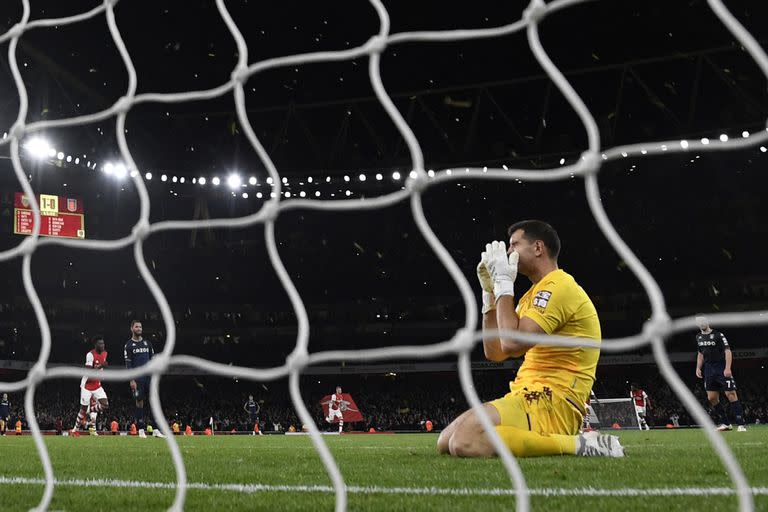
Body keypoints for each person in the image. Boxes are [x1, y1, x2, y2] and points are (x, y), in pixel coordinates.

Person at [437, 220, 623, 458]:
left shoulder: (559, 286)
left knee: (464, 441)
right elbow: (495, 352)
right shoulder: (529, 297)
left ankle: (579, 444)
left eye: (514, 245)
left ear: (538, 248)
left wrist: (504, 284)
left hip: (554, 400)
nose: (508, 252)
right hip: (528, 394)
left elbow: (513, 344)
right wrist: (490, 294)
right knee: (445, 441)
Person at [695, 314, 746, 432]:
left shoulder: (718, 335)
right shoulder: (698, 337)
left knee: (731, 394)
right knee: (712, 398)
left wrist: (728, 368)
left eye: (703, 321)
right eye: (699, 322)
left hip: (721, 367)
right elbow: (700, 353)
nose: (702, 323)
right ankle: (726, 423)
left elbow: (728, 351)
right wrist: (698, 367)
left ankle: (741, 424)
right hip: (708, 369)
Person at [124, 320, 165, 438]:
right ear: (131, 328)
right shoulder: (128, 345)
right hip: (137, 378)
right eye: (137, 327)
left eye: (140, 327)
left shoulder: (147, 344)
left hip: (149, 377)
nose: (139, 328)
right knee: (139, 402)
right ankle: (141, 429)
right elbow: (128, 364)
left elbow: (152, 360)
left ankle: (156, 429)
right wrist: (131, 380)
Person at [72, 336, 109, 435]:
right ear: (95, 345)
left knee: (105, 405)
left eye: (103, 343)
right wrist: (101, 366)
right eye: (100, 344)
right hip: (87, 385)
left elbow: (100, 368)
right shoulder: (90, 355)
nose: (103, 345)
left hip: (97, 384)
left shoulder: (105, 353)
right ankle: (75, 429)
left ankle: (90, 409)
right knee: (82, 409)